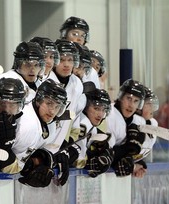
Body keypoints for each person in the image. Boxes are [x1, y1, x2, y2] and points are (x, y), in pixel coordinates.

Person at [9, 79, 70, 187]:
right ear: (38, 100)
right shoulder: (27, 124)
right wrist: (32, 164)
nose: (52, 111)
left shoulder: (50, 125)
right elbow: (9, 161)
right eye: (49, 103)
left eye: (57, 107)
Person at [47, 39, 83, 168]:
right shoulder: (46, 81)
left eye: (70, 60)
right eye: (62, 60)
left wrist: (67, 143)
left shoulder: (77, 84)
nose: (67, 64)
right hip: (40, 146)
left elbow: (73, 118)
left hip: (58, 146)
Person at [102, 79, 147, 177]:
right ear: (121, 97)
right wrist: (128, 150)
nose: (131, 105)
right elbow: (104, 155)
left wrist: (137, 161)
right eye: (128, 98)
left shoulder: (137, 121)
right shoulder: (110, 115)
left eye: (136, 101)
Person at [0, 77, 27, 173]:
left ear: (19, 105)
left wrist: (4, 148)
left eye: (12, 105)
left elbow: (15, 169)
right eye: (2, 103)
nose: (6, 110)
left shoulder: (26, 126)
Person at [75, 83, 113, 178]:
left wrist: (105, 155)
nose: (100, 114)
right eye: (96, 108)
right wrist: (91, 162)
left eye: (103, 110)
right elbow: (78, 162)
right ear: (86, 106)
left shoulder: (92, 127)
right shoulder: (83, 123)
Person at [59, 16, 101, 88]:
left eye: (83, 35)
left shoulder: (90, 71)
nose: (79, 39)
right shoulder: (54, 61)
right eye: (75, 34)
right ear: (64, 35)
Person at [132, 86, 159, 178]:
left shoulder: (153, 124)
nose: (153, 108)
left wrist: (138, 163)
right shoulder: (125, 123)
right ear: (138, 107)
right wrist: (133, 167)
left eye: (153, 104)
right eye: (149, 104)